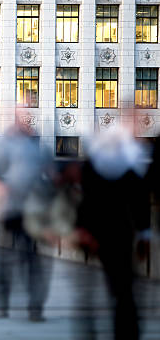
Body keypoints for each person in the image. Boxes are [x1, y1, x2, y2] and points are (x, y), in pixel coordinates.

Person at [76, 127, 150, 340]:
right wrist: (144, 234)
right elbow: (140, 203)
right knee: (123, 289)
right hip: (121, 233)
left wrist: (82, 228)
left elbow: (85, 202)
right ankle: (126, 332)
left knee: (102, 288)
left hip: (101, 234)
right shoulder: (127, 169)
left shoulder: (93, 167)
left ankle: (95, 329)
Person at [0, 118, 54, 322]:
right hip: (8, 211)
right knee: (4, 259)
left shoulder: (40, 149)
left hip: (32, 213)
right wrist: (3, 191)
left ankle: (34, 306)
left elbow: (50, 176)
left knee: (32, 260)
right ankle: (3, 302)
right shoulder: (1, 146)